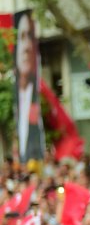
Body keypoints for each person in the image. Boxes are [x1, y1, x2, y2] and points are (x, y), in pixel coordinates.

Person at [13, 12, 43, 164]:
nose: (26, 47)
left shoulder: (39, 98)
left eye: (30, 37)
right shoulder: (16, 99)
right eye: (22, 37)